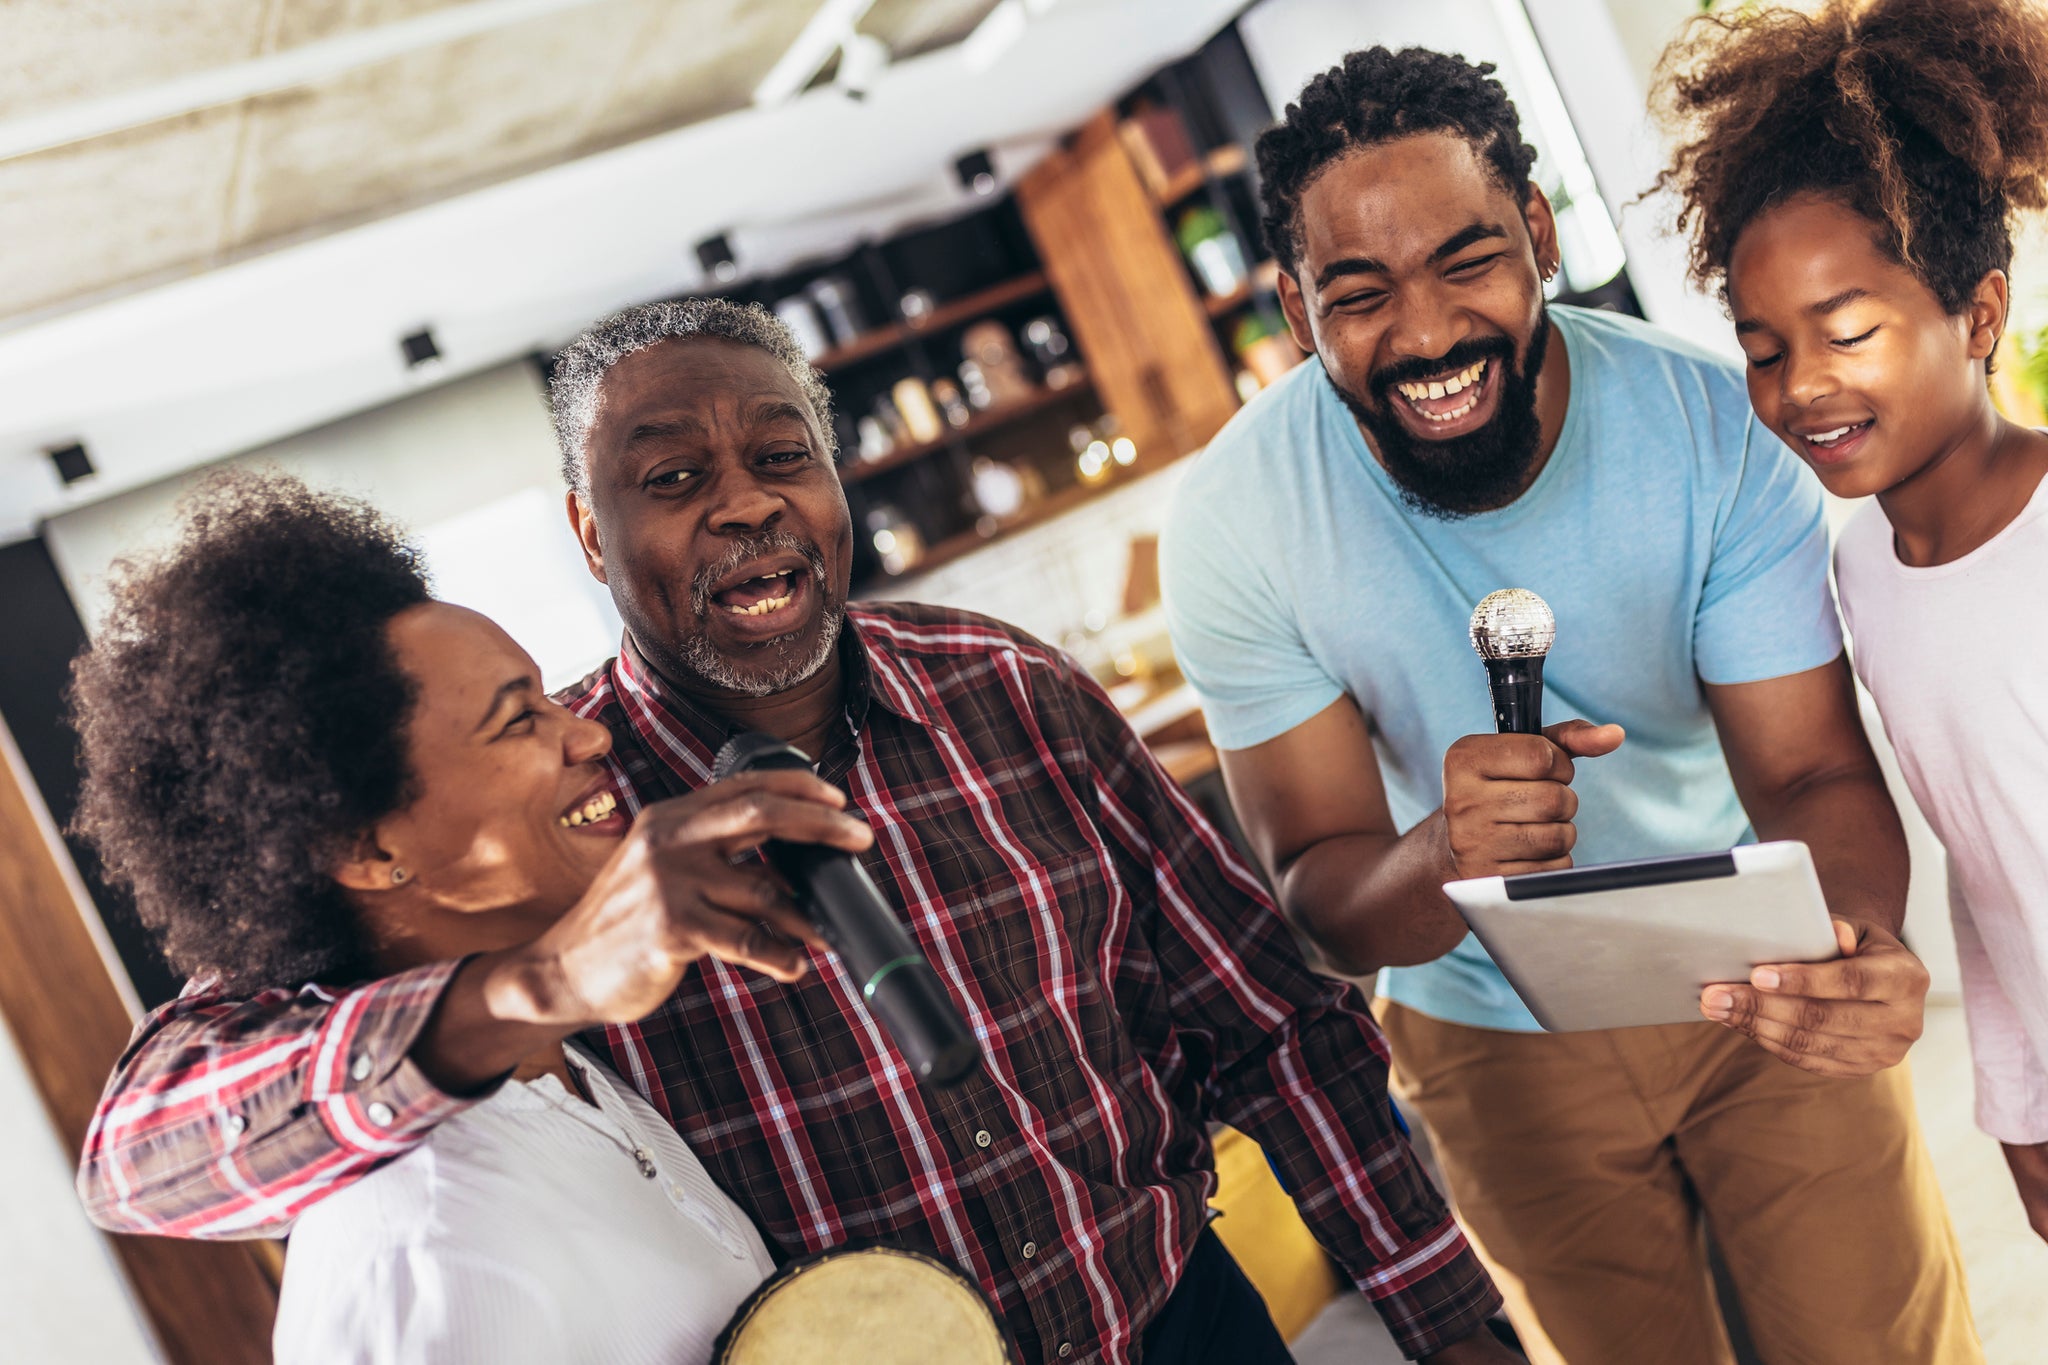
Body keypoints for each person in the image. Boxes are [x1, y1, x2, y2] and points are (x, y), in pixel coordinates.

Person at [75, 300, 1516, 1364]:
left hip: (1183, 1328)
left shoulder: (1009, 690)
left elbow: (1276, 1029)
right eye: (673, 479)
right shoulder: (549, 831)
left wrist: (1457, 1333)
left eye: (784, 456)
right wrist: (553, 977)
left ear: (840, 488)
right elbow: (144, 1147)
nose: (748, 504)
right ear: (589, 533)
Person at [1157, 45, 1978, 1365]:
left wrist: (1859, 936)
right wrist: (1444, 852)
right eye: (1358, 293)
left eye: (1465, 262)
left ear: (1537, 234)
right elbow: (1321, 894)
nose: (1425, 335)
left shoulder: (1714, 427)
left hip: (1752, 961)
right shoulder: (1236, 521)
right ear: (1295, 310)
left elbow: (1814, 772)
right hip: (1492, 1029)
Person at [69, 472, 811, 1363]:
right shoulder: (416, 1250)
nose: (586, 734)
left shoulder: (563, 1081)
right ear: (367, 849)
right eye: (515, 720)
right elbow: (134, 1148)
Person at [1655, 0, 2048, 1244]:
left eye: (1849, 332)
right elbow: (1989, 879)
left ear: (1975, 318)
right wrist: (2018, 1102)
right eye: (1763, 349)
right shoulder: (1861, 575)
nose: (1801, 387)